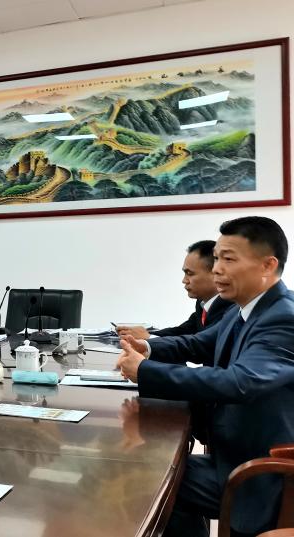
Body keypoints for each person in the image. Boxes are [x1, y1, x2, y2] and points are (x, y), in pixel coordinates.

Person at [116, 216, 294, 537]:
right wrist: (147, 347)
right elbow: (198, 344)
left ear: (267, 265)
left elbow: (239, 382)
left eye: (229, 259)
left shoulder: (283, 317)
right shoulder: (244, 308)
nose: (217, 270)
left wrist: (144, 371)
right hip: (232, 454)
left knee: (152, 479)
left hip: (264, 475)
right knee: (151, 468)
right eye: (216, 259)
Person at [117, 240, 233, 339]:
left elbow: (200, 345)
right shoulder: (203, 303)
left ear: (215, 273)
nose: (184, 280)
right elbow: (183, 331)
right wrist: (147, 335)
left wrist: (149, 338)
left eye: (190, 273)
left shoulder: (229, 308)